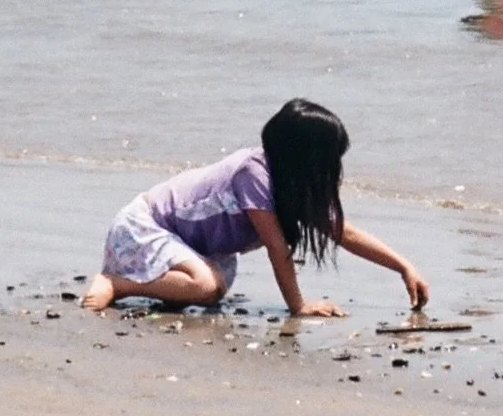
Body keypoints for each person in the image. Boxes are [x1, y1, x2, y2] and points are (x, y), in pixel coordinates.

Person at [81, 98, 429, 318]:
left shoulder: (291, 185)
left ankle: (150, 284)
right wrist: (298, 305)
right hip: (144, 226)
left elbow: (344, 233)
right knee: (206, 289)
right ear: (302, 157)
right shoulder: (254, 173)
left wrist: (403, 267)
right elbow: (277, 249)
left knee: (210, 290)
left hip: (192, 246)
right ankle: (118, 283)